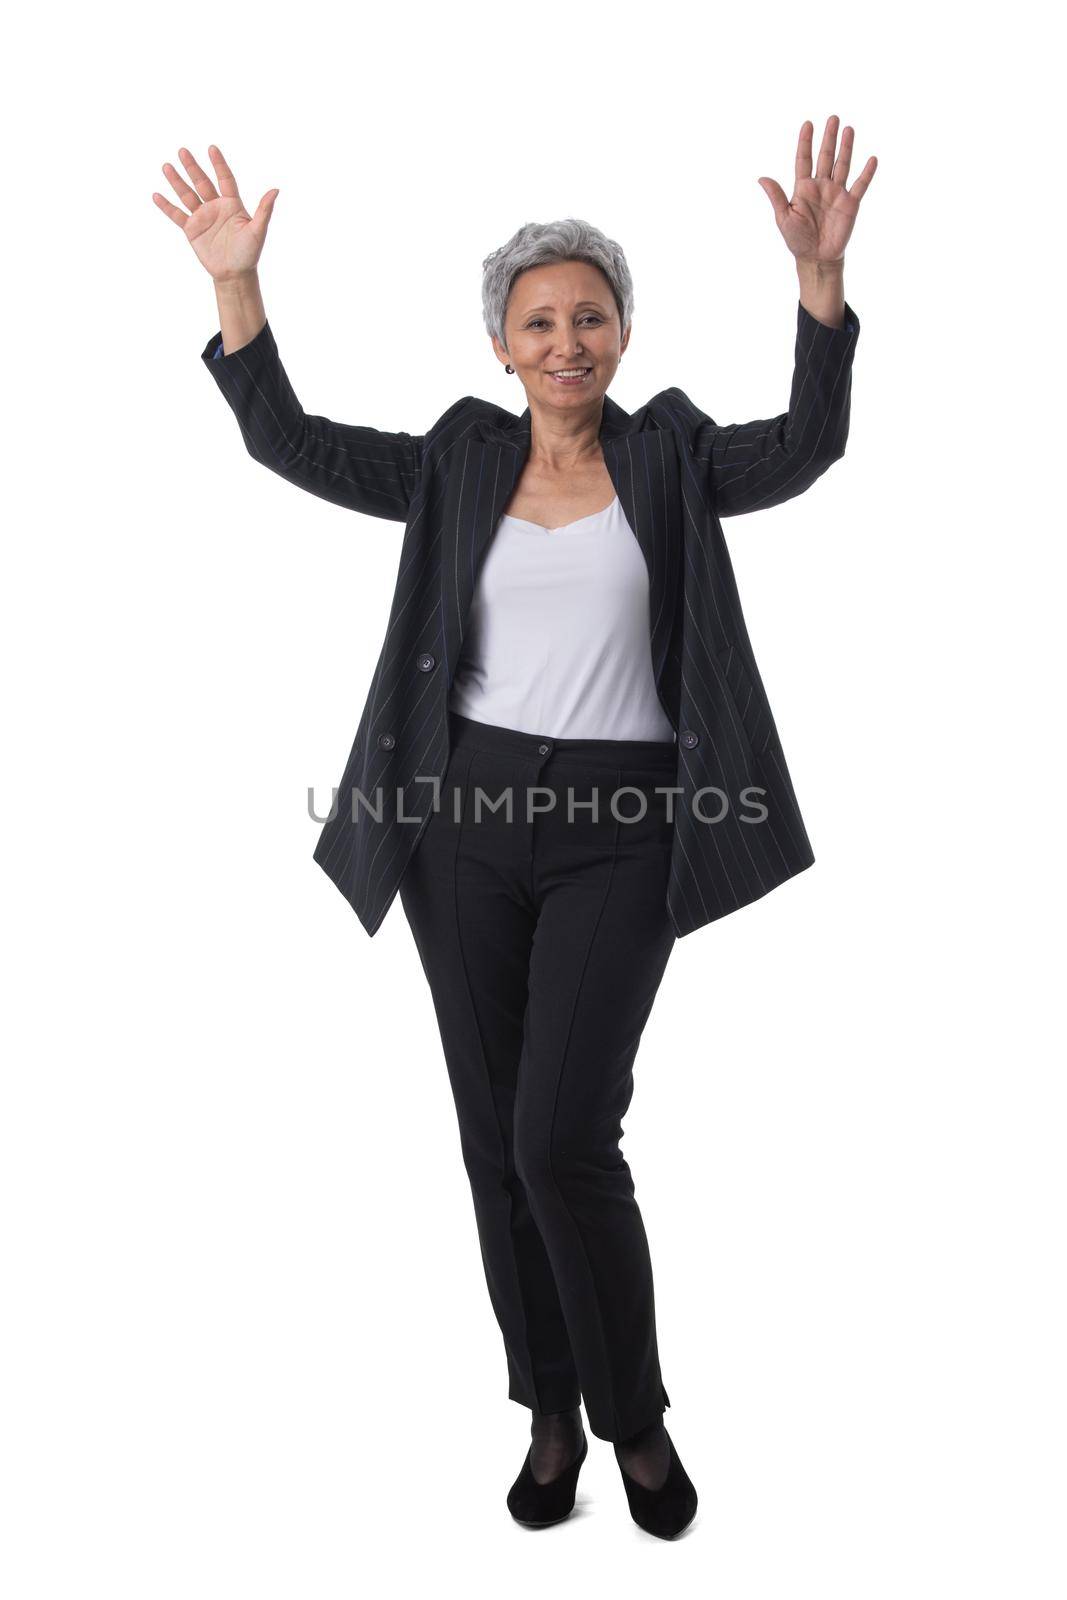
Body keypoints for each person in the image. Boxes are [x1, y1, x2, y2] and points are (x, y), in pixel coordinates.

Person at [153, 116, 875, 1540]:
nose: (566, 340)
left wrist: (821, 285)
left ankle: (639, 1422)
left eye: (589, 317)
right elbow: (289, 443)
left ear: (621, 332)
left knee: (563, 1135)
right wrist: (237, 290)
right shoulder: (458, 462)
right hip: (463, 826)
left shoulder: (669, 457)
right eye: (538, 319)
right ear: (500, 342)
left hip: (624, 825)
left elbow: (806, 448)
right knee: (496, 1139)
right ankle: (551, 1410)